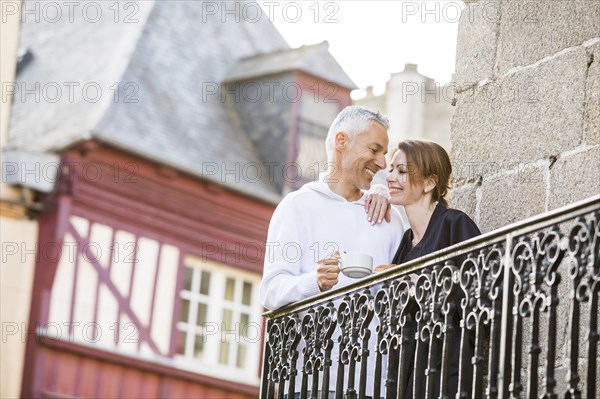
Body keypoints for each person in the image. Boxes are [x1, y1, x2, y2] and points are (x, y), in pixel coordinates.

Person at [260, 105, 405, 397]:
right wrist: (315, 281)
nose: (381, 162)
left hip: (374, 384)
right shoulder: (296, 207)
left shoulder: (391, 218)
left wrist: (397, 282)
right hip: (309, 381)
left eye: (384, 153)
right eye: (375, 149)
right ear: (342, 142)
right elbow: (271, 292)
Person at [385, 139, 481, 398]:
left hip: (450, 374)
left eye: (402, 171)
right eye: (391, 169)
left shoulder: (455, 225)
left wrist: (419, 285)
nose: (391, 177)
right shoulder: (405, 244)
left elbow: (481, 299)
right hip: (408, 378)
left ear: (429, 182)